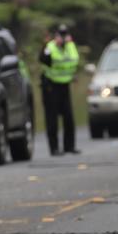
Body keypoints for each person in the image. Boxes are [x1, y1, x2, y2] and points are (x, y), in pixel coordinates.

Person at [38, 24, 81, 155]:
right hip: (51, 86)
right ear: (55, 36)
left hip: (65, 85)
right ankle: (54, 148)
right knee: (52, 119)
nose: (63, 38)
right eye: (60, 35)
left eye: (65, 34)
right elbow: (42, 59)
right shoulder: (50, 47)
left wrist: (67, 44)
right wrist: (51, 45)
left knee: (68, 117)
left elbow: (75, 61)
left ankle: (70, 146)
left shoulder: (70, 46)